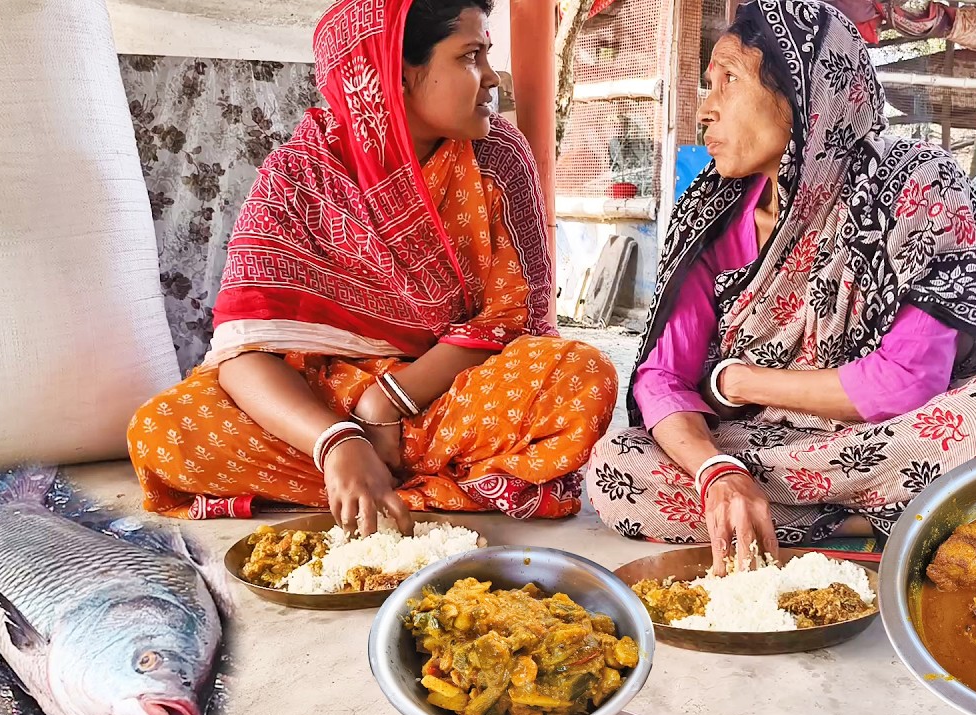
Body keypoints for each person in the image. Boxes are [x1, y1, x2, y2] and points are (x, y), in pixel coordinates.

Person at [585, 0, 976, 574]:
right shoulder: (708, 212)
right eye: (707, 85)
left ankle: (805, 524)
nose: (706, 111)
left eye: (730, 81)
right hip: (779, 451)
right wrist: (718, 472)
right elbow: (661, 379)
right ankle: (885, 521)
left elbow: (908, 382)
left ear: (805, 96)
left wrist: (735, 380)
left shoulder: (915, 184)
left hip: (901, 436)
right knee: (616, 468)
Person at [128, 0, 617, 535]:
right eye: (470, 56)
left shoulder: (498, 156)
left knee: (579, 375)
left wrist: (388, 400)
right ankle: (399, 479)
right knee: (162, 430)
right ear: (397, 73)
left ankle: (372, 485)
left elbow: (516, 320)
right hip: (321, 405)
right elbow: (245, 352)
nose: (490, 79)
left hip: (444, 396)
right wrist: (337, 440)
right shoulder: (297, 175)